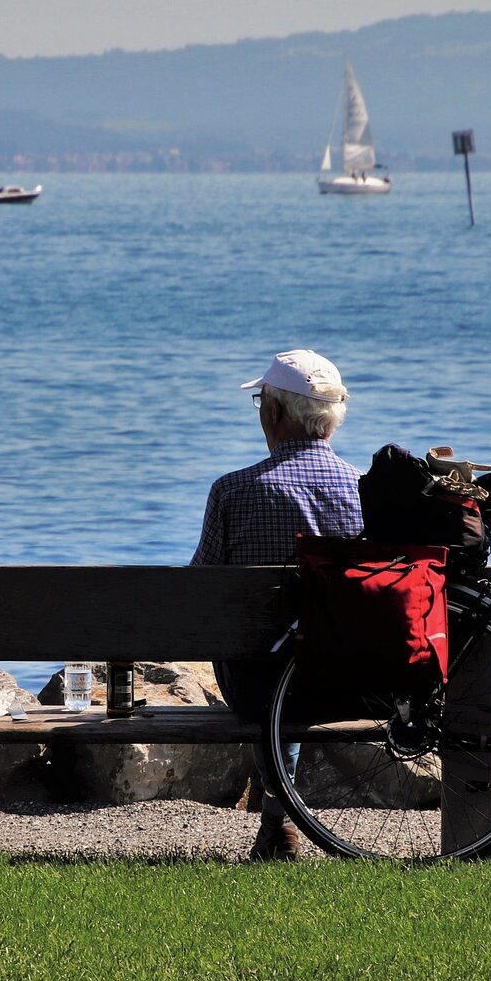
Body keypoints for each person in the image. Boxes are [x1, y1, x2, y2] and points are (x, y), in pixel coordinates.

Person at [191, 349, 362, 860]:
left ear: (274, 413)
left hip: (256, 685)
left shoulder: (234, 491)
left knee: (267, 658)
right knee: (303, 646)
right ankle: (277, 814)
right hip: (349, 679)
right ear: (331, 419)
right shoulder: (363, 490)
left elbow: (197, 593)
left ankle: (279, 813)